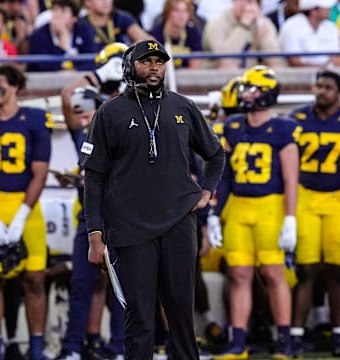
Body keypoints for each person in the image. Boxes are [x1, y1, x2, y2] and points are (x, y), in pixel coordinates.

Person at [80, 39, 226, 359]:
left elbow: (215, 155)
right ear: (130, 66)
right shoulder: (109, 112)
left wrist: (206, 191)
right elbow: (94, 177)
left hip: (178, 220)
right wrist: (95, 233)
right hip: (130, 226)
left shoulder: (183, 106)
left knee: (180, 314)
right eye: (146, 61)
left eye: (159, 61)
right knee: (140, 316)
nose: (154, 67)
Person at [214, 65, 300, 359]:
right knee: (238, 274)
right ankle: (238, 342)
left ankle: (284, 341)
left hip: (270, 206)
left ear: (267, 94)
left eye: (252, 88)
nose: (245, 93)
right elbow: (224, 175)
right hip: (239, 205)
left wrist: (290, 217)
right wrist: (215, 212)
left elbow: (291, 177)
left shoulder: (284, 128)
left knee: (274, 274)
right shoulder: (233, 126)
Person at [56, 42, 129, 360]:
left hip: (125, 215)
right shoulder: (88, 128)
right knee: (82, 284)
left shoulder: (133, 119)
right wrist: (98, 76)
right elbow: (67, 97)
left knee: (123, 290)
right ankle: (73, 347)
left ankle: (121, 348)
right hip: (91, 216)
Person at [0, 64, 52, 360]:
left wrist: (22, 213)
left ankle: (36, 348)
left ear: (14, 86)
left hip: (27, 206)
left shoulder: (34, 119)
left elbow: (40, 172)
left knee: (34, 278)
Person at [288, 70, 340, 357]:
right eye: (318, 86)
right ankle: (296, 333)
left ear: (338, 92)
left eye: (328, 87)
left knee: (337, 270)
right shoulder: (297, 119)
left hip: (336, 198)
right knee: (306, 269)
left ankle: (337, 333)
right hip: (305, 196)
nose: (321, 91)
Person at [202, 0, 284, 69]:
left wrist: (262, 30)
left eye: (249, 1)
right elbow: (225, 59)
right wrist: (243, 26)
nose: (244, 5)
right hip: (218, 73)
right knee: (229, 67)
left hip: (252, 74)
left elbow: (274, 58)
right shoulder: (218, 23)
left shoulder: (264, 22)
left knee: (276, 67)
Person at [28, 0, 95, 72]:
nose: (57, 15)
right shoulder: (38, 36)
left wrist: (74, 71)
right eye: (55, 10)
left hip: (78, 78)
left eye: (63, 11)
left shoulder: (84, 31)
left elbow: (91, 62)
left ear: (74, 18)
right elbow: (45, 68)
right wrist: (62, 45)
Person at [279, 0, 339, 67]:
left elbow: (336, 57)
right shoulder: (291, 26)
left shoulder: (331, 26)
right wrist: (322, 68)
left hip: (331, 75)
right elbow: (295, 61)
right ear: (313, 11)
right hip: (299, 76)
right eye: (325, 7)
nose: (329, 8)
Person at [78, 0, 150, 53]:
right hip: (90, 68)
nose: (105, 2)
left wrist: (133, 50)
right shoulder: (80, 25)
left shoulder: (121, 18)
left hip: (120, 67)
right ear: (87, 2)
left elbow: (147, 40)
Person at [149, 0, 203, 69]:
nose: (181, 15)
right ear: (167, 13)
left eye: (185, 11)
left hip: (188, 78)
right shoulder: (154, 35)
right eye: (176, 11)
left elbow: (195, 68)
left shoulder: (194, 35)